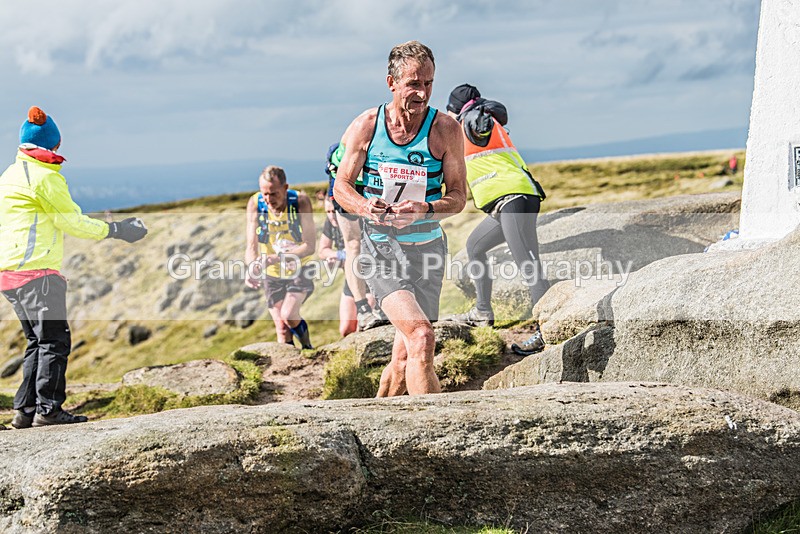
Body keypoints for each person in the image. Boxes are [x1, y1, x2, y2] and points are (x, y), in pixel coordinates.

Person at [0, 106, 148, 428]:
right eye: (57, 145)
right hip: (39, 273)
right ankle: (49, 410)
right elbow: (72, 222)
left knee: (36, 341)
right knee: (55, 340)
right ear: (51, 145)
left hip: (10, 275)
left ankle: (23, 411)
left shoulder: (10, 175)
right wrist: (116, 230)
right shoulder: (44, 178)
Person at [334, 41, 467, 396]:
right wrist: (365, 207)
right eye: (413, 83)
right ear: (391, 83)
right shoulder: (367, 125)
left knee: (405, 355)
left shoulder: (446, 129)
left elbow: (458, 198)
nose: (422, 93)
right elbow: (341, 186)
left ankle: (380, 419)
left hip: (428, 250)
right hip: (382, 251)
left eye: (428, 83)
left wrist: (425, 209)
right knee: (422, 337)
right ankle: (437, 439)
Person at [446, 84, 549, 356]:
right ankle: (482, 311)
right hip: (506, 202)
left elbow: (479, 125)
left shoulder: (475, 120)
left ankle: (546, 332)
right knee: (475, 247)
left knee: (528, 264)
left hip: (514, 198)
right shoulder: (480, 119)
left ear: (456, 108)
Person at [245, 165, 316, 349]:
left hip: (300, 268)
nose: (268, 199)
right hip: (272, 272)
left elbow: (309, 246)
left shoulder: (300, 201)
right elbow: (251, 246)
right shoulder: (255, 204)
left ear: (285, 188)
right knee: (282, 328)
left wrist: (277, 258)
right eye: (264, 194)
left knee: (289, 314)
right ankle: (289, 369)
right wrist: (252, 267)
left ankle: (308, 350)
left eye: (273, 194)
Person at [326, 142, 386, 331]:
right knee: (353, 245)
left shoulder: (380, 145)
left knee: (379, 241)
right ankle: (362, 309)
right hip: (344, 185)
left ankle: (380, 305)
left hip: (374, 183)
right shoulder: (338, 150)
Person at [317, 197, 373, 337]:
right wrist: (340, 255)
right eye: (327, 211)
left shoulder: (354, 220)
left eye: (333, 211)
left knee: (365, 328)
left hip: (371, 280)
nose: (331, 215)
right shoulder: (330, 223)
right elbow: (322, 251)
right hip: (351, 281)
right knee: (346, 329)